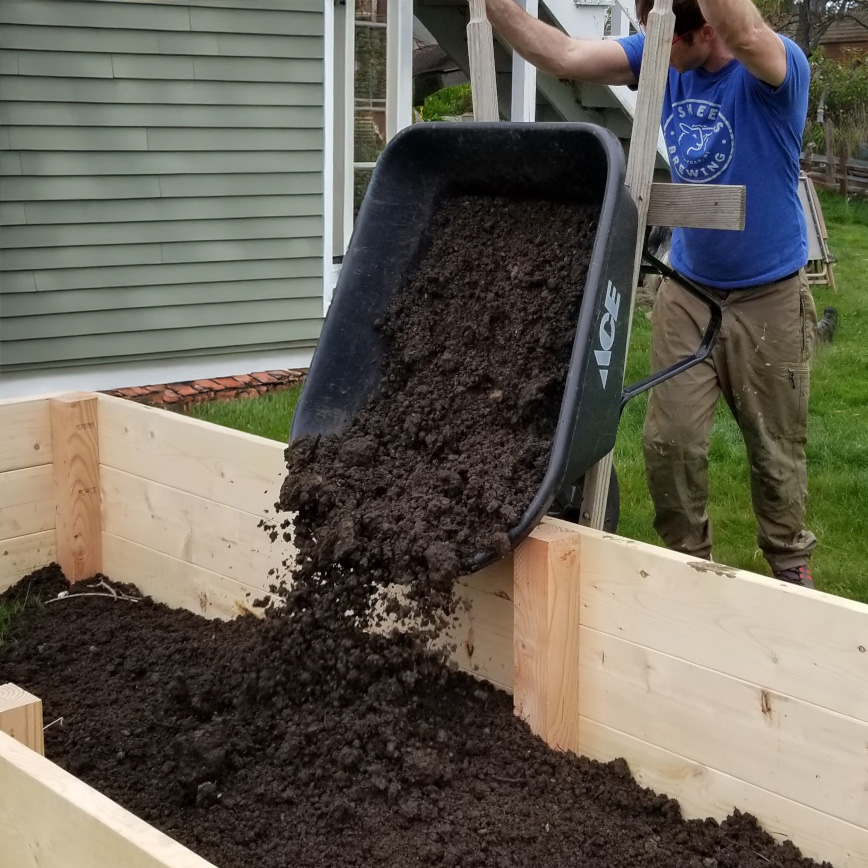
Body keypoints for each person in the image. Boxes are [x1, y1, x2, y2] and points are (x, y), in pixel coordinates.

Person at [484, 0, 818, 587]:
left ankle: (789, 564)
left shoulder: (773, 69)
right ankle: (688, 567)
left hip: (770, 296)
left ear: (706, 32)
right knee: (670, 443)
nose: (651, 49)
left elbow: (744, 28)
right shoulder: (662, 47)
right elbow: (559, 53)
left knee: (775, 450)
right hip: (688, 289)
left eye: (666, 37)